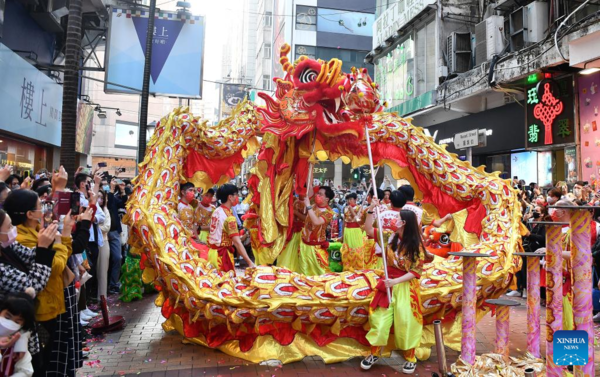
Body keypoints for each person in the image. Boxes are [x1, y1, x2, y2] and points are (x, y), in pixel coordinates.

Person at [5, 188, 92, 377]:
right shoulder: (22, 238)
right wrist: (62, 237)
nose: (43, 210)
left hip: (54, 304)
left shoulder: (37, 232)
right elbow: (56, 267)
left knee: (57, 360)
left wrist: (61, 239)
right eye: (40, 207)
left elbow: (62, 256)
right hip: (42, 310)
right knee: (45, 364)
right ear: (29, 214)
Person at [360, 207, 425, 374]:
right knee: (380, 320)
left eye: (396, 218)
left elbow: (416, 272)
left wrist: (395, 281)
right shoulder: (389, 237)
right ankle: (375, 353)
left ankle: (411, 357)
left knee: (406, 322)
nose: (392, 220)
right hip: (388, 283)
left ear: (403, 223)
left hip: (405, 287)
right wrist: (370, 211)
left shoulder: (416, 245)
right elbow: (367, 229)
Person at [0, 209, 56, 372]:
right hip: (10, 339)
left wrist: (45, 243)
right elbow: (35, 284)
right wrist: (44, 249)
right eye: (9, 226)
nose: (13, 230)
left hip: (22, 335)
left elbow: (31, 256)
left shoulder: (7, 245)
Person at [207, 184, 255, 272]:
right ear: (230, 197)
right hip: (222, 257)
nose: (237, 197)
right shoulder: (229, 217)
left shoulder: (217, 211)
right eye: (236, 194)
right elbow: (237, 242)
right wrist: (250, 262)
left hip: (212, 253)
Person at [298, 186, 335, 276]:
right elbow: (307, 219)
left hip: (316, 248)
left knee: (320, 275)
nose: (317, 195)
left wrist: (308, 206)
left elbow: (316, 221)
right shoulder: (313, 206)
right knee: (303, 275)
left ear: (327, 199)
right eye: (317, 193)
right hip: (304, 245)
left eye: (320, 194)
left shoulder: (329, 212)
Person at [0, 293, 37, 377]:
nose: (10, 323)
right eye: (7, 317)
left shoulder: (17, 347)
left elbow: (26, 371)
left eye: (17, 322)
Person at [276, 194, 306, 272]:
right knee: (286, 252)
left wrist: (295, 213)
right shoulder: (294, 200)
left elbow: (307, 219)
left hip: (301, 232)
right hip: (291, 230)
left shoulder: (309, 204)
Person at [340, 193, 364, 271]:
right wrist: (342, 233)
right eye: (348, 199)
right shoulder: (345, 208)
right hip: (347, 230)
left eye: (351, 199)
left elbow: (358, 221)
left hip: (356, 230)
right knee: (347, 249)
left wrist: (352, 210)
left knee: (355, 249)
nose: (349, 201)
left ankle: (357, 267)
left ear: (355, 199)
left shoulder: (359, 208)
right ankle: (348, 268)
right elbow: (344, 221)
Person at [95, 190, 112, 301]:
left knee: (102, 271)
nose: (100, 199)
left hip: (103, 242)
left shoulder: (105, 211)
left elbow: (106, 227)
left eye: (102, 197)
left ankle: (102, 297)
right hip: (93, 243)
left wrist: (94, 228)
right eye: (98, 197)